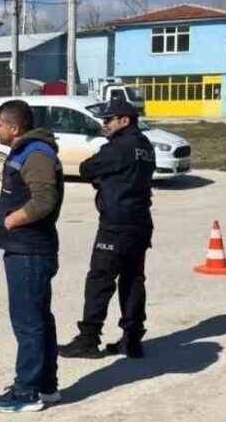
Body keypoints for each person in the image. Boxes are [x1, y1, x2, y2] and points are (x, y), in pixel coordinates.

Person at [59, 100, 155, 360]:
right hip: (140, 222)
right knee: (133, 280)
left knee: (100, 280)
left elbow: (86, 168)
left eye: (109, 119)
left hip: (116, 224)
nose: (104, 124)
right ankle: (132, 340)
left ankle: (88, 340)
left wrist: (101, 179)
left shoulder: (118, 147)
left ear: (124, 120)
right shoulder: (145, 146)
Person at [0, 100, 65, 413]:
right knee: (37, 319)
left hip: (30, 251)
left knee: (28, 322)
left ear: (15, 127)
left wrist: (11, 220)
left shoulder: (36, 154)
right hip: (25, 249)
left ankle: (27, 392)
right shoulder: (25, 151)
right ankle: (46, 386)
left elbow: (45, 199)